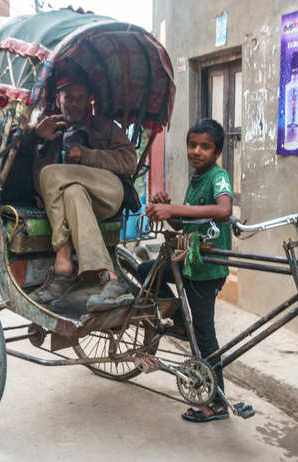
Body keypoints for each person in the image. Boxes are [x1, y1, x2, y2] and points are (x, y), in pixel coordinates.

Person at [139, 118, 233, 423]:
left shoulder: (218, 177)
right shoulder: (195, 179)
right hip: (187, 260)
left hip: (206, 268)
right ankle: (181, 321)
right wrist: (167, 206)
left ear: (217, 152)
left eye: (205, 147)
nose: (197, 151)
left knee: (206, 336)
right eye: (192, 145)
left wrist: (175, 209)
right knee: (145, 271)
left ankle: (217, 403)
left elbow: (223, 210)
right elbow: (183, 223)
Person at [28, 69, 138, 312]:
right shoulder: (48, 128)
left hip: (108, 192)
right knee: (72, 192)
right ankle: (110, 278)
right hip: (78, 204)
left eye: (80, 98)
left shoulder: (103, 126)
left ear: (88, 100)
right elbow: (28, 174)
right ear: (58, 100)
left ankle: (63, 261)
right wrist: (35, 135)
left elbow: (130, 161)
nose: (75, 103)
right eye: (69, 97)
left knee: (51, 174)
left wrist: (87, 156)